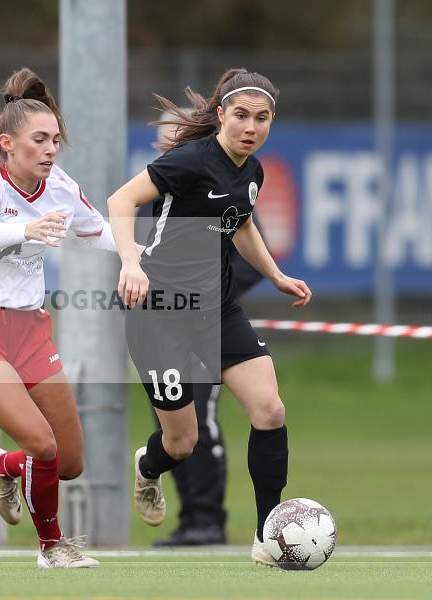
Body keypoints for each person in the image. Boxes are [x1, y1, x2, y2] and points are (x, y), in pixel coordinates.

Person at [108, 68, 312, 567]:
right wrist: (130, 261)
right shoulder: (190, 161)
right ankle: (148, 465)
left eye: (261, 118)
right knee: (182, 442)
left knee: (270, 411)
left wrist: (276, 274)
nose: (251, 126)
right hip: (159, 314)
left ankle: (270, 537)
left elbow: (239, 224)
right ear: (220, 115)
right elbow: (120, 200)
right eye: (241, 115)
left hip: (216, 310)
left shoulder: (253, 171)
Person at [0, 67, 115, 569]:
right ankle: (52, 548)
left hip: (29, 328)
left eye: (55, 139)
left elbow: (98, 231)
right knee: (41, 442)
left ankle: (5, 467)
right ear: (6, 143)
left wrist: (142, 255)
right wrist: (28, 231)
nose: (50, 149)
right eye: (40, 139)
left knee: (69, 462)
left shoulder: (60, 186)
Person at [144, 111, 265, 547]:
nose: (165, 141)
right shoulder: (163, 184)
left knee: (203, 420)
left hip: (209, 323)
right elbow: (146, 250)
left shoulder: (227, 182)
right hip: (163, 321)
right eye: (160, 135)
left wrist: (214, 293)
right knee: (176, 431)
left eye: (171, 133)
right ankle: (188, 516)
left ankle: (207, 519)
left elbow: (248, 253)